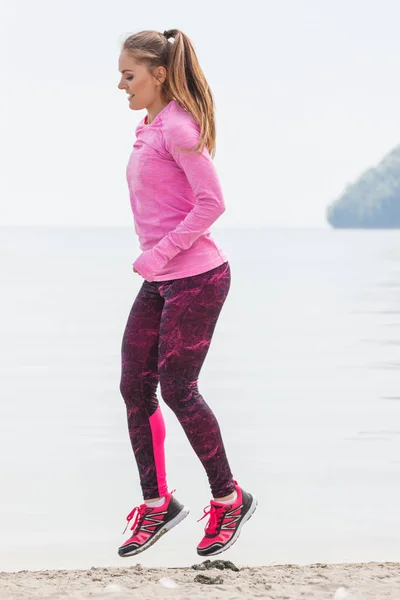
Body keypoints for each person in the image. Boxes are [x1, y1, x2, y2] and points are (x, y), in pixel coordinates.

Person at [117, 28, 257, 558]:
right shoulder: (150, 126)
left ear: (158, 74)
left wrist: (159, 254)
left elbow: (211, 203)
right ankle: (157, 504)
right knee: (135, 387)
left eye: (129, 75)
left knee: (179, 388)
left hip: (198, 278)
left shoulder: (177, 126)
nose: (121, 84)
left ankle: (228, 499)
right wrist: (155, 264)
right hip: (162, 280)